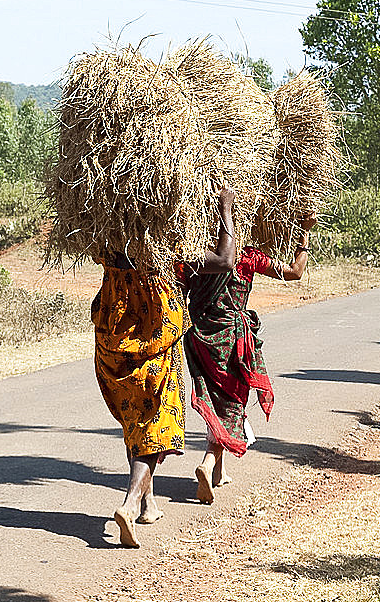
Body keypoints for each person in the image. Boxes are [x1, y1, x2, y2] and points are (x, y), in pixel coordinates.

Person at [93, 183, 236, 548]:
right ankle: (129, 502)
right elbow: (224, 261)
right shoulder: (168, 252)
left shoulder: (111, 248)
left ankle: (148, 503)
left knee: (134, 420)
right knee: (156, 425)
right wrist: (225, 210)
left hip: (112, 350)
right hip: (154, 352)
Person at [183, 213, 318, 504]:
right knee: (232, 402)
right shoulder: (247, 257)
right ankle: (208, 463)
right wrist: (304, 234)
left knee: (214, 398)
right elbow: (295, 272)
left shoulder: (195, 257)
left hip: (200, 337)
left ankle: (219, 471)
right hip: (232, 339)